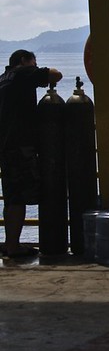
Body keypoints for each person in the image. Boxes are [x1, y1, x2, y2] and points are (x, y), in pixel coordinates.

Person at [0, 50, 62, 258]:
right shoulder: (23, 74)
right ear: (24, 61)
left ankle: (10, 243)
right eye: (34, 62)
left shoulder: (3, 79)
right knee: (18, 198)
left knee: (10, 198)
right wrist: (36, 70)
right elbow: (55, 75)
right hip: (20, 146)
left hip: (6, 146)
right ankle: (13, 247)